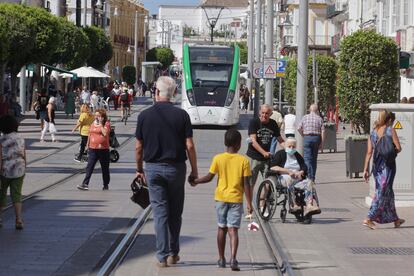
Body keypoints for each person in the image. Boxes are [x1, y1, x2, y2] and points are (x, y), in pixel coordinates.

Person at [135, 76, 198, 267]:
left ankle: (162, 256)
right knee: (175, 213)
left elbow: (138, 147)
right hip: (176, 168)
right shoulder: (182, 115)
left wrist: (139, 170)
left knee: (160, 213)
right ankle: (173, 253)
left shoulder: (144, 116)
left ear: (156, 93)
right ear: (174, 94)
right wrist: (194, 171)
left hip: (153, 169)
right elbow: (189, 145)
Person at [191, 129, 252, 271]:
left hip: (221, 198)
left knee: (221, 228)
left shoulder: (218, 158)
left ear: (225, 143)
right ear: (238, 144)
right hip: (236, 199)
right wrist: (249, 202)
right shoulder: (244, 160)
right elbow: (246, 184)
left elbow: (209, 177)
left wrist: (196, 181)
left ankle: (221, 258)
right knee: (233, 230)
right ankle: (233, 259)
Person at [362, 110, 405, 229]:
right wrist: (390, 151)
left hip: (377, 167)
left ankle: (396, 219)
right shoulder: (390, 130)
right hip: (388, 166)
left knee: (388, 191)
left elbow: (369, 152)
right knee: (381, 192)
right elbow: (399, 147)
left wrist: (365, 169)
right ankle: (369, 218)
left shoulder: (373, 132)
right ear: (389, 119)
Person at [246, 104, 284, 213]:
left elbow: (280, 139)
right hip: (254, 157)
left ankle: (263, 206)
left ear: (270, 114)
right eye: (262, 113)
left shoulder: (273, 124)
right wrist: (263, 152)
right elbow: (253, 140)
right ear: (259, 113)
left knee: (268, 183)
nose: (264, 115)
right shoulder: (254, 122)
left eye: (267, 113)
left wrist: (289, 149)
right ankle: (249, 207)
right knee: (251, 183)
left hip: (267, 159)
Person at [270, 137, 321, 216]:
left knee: (309, 182)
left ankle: (309, 205)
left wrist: (301, 172)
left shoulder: (297, 155)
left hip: (297, 180)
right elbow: (273, 167)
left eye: (293, 147)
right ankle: (294, 204)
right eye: (289, 146)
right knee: (289, 180)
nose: (291, 148)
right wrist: (288, 171)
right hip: (284, 178)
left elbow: (304, 166)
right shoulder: (280, 154)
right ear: (286, 146)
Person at [0, 115, 26, 230]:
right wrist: (25, 166)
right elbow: (24, 154)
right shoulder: (20, 138)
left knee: (2, 194)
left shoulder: (1, 140)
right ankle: (19, 219)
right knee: (17, 195)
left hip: (4, 170)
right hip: (19, 170)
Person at [77, 109, 111, 191]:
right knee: (89, 166)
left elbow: (105, 133)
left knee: (105, 168)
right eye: (96, 115)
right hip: (93, 149)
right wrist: (87, 145)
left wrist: (101, 124)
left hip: (103, 150)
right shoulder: (93, 123)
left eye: (98, 116)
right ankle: (85, 184)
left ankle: (105, 184)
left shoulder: (106, 124)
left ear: (102, 116)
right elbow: (90, 134)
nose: (96, 117)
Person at [297, 104, 324, 181]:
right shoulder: (319, 118)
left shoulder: (304, 117)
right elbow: (323, 131)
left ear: (309, 110)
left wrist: (303, 135)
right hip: (316, 138)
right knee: (314, 159)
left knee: (307, 159)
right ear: (317, 111)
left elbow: (299, 128)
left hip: (307, 137)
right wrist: (322, 142)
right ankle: (312, 177)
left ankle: (309, 177)